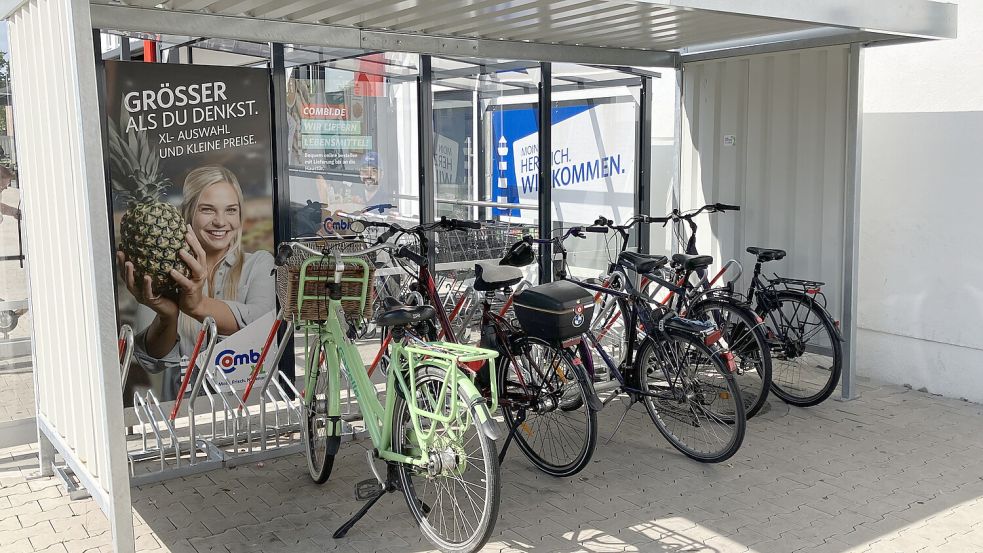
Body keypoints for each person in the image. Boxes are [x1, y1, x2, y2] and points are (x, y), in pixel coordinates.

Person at [121, 166, 275, 398]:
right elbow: (154, 361)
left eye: (231, 210)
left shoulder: (259, 264)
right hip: (182, 412)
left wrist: (197, 305)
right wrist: (167, 316)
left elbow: (262, 323)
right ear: (188, 212)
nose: (221, 221)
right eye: (207, 210)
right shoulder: (162, 273)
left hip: (248, 406)